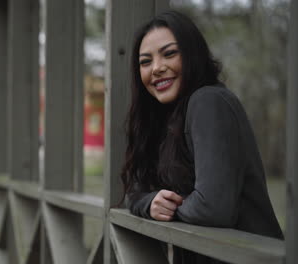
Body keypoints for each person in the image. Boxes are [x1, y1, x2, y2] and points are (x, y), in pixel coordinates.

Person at [121, 10, 283, 263]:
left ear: (192, 54)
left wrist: (169, 207)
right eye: (145, 61)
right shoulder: (168, 119)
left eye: (169, 53)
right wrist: (150, 202)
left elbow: (211, 209)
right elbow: (134, 192)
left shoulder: (208, 101)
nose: (157, 68)